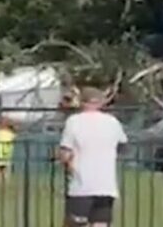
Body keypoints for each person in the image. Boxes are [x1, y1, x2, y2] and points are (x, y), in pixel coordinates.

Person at [59, 87, 128, 227]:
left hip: (82, 185)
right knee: (100, 223)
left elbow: (65, 154)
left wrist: (63, 159)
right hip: (106, 185)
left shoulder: (74, 121)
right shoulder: (112, 122)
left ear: (82, 102)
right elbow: (123, 145)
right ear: (101, 102)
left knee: (74, 223)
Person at [0, 118, 16, 196]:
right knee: (6, 174)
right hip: (7, 155)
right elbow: (15, 136)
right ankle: (4, 191)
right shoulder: (11, 134)